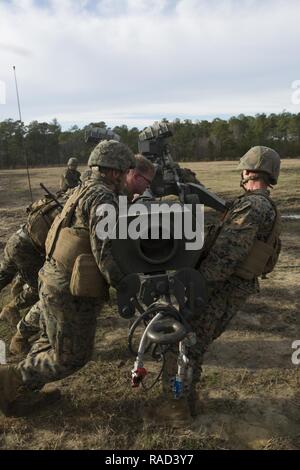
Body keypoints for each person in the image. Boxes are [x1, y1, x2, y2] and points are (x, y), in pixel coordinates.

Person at [0, 140, 135, 417]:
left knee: (50, 343)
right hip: (68, 290)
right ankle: (8, 379)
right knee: (71, 357)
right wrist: (126, 285)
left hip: (51, 279)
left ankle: (18, 394)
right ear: (114, 172)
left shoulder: (81, 189)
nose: (125, 178)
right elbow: (104, 253)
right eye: (124, 171)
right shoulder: (102, 198)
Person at [156, 146, 282, 425]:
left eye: (243, 169)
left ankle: (177, 407)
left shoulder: (253, 206)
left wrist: (196, 285)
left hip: (219, 288)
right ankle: (187, 399)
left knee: (181, 345)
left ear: (249, 171)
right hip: (230, 287)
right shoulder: (257, 203)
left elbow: (227, 255)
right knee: (193, 345)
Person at [0, 194, 62, 327]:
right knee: (39, 288)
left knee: (3, 276)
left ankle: (17, 291)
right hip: (26, 250)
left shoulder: (56, 201)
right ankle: (11, 308)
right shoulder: (66, 208)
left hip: (17, 239)